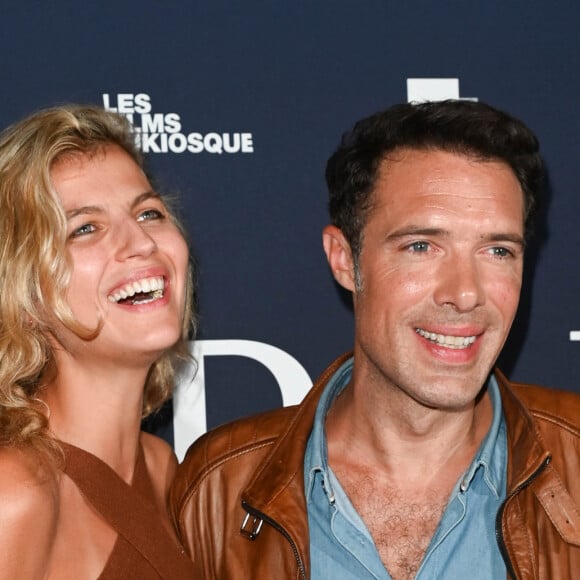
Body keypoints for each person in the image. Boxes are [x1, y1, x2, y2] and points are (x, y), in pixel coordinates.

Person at [170, 99, 580, 579]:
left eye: (497, 250)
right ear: (345, 259)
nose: (465, 293)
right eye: (422, 246)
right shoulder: (218, 488)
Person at [0, 105, 198, 578]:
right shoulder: (15, 491)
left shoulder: (164, 469)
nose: (141, 243)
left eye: (149, 213)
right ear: (21, 291)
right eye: (85, 228)